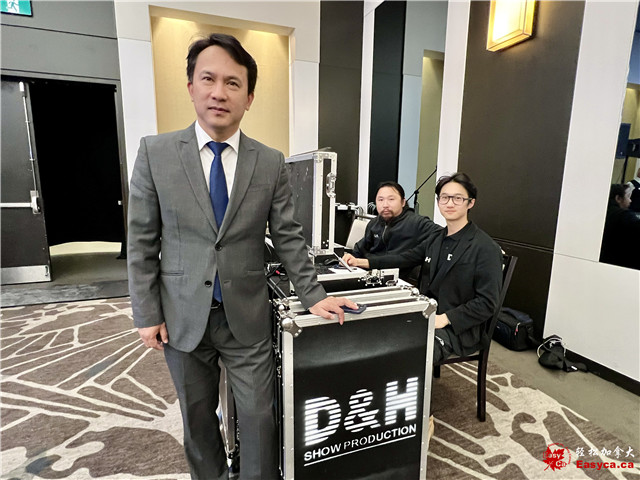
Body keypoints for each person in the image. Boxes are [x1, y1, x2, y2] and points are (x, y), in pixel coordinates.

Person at [127, 33, 356, 480]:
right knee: (197, 419)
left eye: (233, 83)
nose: (219, 92)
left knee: (258, 417)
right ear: (190, 86)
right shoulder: (155, 153)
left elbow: (288, 235)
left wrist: (314, 295)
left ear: (249, 98)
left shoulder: (269, 161)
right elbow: (141, 241)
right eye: (208, 79)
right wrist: (146, 312)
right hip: (180, 314)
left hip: (246, 315)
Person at [391, 173, 503, 363]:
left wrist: (445, 318)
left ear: (470, 203)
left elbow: (487, 303)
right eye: (444, 197)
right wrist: (363, 262)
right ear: (438, 201)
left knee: (406, 355)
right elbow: (405, 258)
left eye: (457, 198)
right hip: (427, 314)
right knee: (379, 335)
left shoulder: (485, 248)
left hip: (459, 328)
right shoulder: (435, 238)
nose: (449, 203)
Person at [342, 181, 441, 279]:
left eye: (391, 199)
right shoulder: (374, 223)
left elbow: (443, 234)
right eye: (380, 200)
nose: (385, 205)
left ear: (403, 202)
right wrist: (349, 258)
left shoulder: (417, 223)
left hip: (397, 279)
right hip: (369, 274)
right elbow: (359, 249)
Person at [599, 183, 640, 270]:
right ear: (618, 198)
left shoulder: (602, 212)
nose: (630, 201)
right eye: (628, 197)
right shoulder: (624, 216)